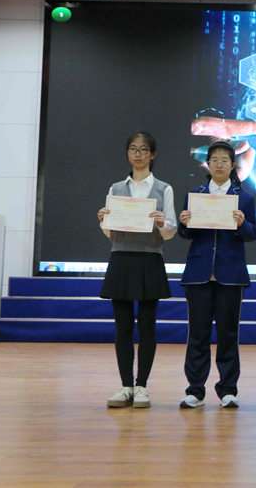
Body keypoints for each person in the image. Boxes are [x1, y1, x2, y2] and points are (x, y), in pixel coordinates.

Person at [177, 140, 256, 409]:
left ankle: (228, 389)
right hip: (199, 273)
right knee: (197, 334)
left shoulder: (244, 198)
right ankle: (195, 390)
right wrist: (184, 222)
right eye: (215, 160)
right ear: (208, 164)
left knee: (228, 334)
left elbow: (253, 233)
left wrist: (242, 224)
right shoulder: (195, 195)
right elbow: (186, 233)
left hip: (230, 274)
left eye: (225, 160)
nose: (220, 164)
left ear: (232, 165)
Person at [98, 131, 177, 409]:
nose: (138, 154)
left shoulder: (164, 189)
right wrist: (103, 220)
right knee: (122, 328)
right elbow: (109, 232)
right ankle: (125, 386)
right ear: (127, 154)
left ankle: (142, 385)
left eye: (144, 149)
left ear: (152, 154)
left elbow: (170, 231)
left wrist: (162, 223)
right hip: (121, 258)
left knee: (147, 326)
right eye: (133, 149)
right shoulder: (116, 188)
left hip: (149, 259)